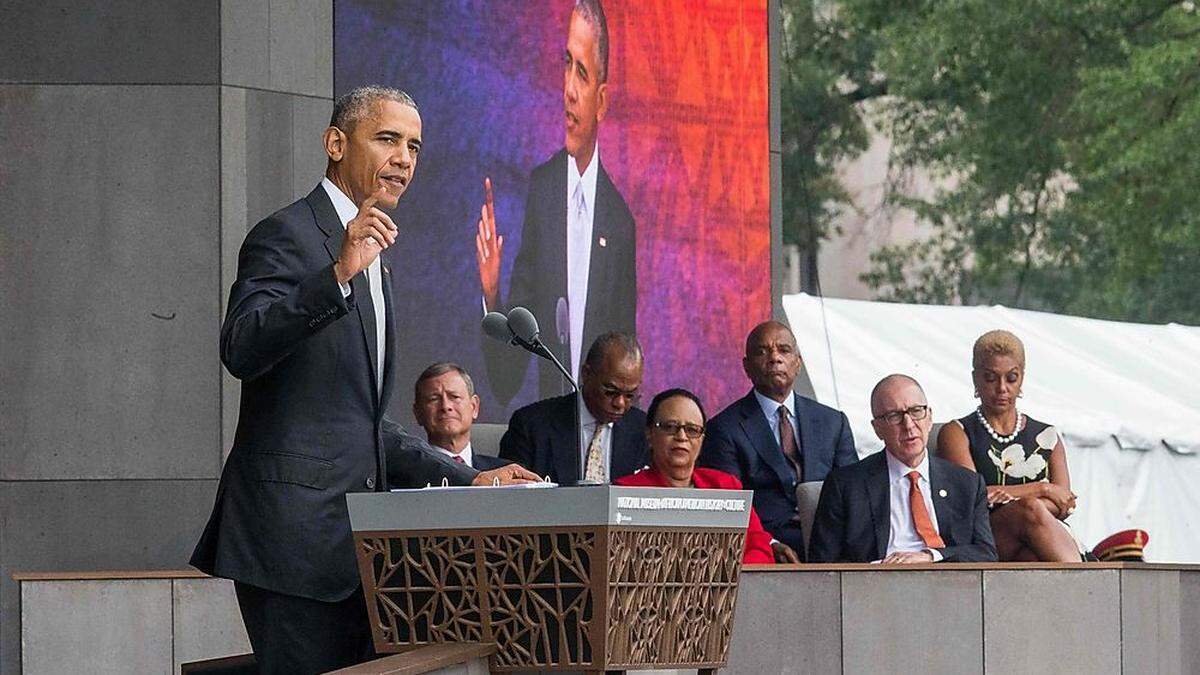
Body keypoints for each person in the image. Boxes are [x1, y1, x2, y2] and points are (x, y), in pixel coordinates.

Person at [189, 86, 537, 674]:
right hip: (291, 542)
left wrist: (470, 478)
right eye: (387, 139)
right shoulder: (290, 235)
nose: (404, 157)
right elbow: (241, 346)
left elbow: (366, 424)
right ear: (334, 144)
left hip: (362, 554)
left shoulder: (379, 255)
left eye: (415, 146)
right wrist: (337, 273)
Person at [475, 0, 636, 406]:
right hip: (549, 424)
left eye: (581, 72)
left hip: (602, 430)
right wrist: (493, 296)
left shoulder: (619, 221)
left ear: (601, 100)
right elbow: (510, 375)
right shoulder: (543, 190)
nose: (567, 88)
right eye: (566, 64)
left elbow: (628, 354)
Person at [698, 320, 858, 558]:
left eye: (784, 350)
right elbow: (729, 506)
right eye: (762, 351)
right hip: (768, 549)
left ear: (798, 363)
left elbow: (853, 493)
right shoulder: (724, 428)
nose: (774, 358)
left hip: (832, 544)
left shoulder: (833, 422)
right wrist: (769, 543)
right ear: (746, 367)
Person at [809, 374, 997, 564]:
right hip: (877, 586)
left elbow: (986, 554)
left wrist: (931, 556)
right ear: (877, 429)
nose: (908, 425)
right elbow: (823, 566)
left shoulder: (967, 484)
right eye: (894, 416)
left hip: (949, 584)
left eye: (916, 411)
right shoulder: (846, 485)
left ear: (929, 417)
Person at [937, 329, 1082, 562]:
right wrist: (1042, 490)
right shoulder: (956, 433)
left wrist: (1008, 496)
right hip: (984, 540)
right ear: (976, 379)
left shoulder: (1047, 435)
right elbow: (973, 500)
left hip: (1039, 540)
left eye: (1011, 378)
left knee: (1032, 555)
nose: (1002, 388)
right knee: (1030, 510)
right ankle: (1088, 581)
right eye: (991, 378)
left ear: (1022, 377)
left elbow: (1066, 503)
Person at [615, 388, 800, 564]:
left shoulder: (726, 486)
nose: (681, 436)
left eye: (692, 430)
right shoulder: (626, 492)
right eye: (670, 427)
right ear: (649, 434)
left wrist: (727, 576)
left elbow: (759, 546)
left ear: (702, 439)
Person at [499, 332, 648, 483]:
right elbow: (509, 494)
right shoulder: (531, 426)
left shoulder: (645, 431)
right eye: (610, 392)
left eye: (630, 395)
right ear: (586, 374)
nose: (620, 403)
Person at [412, 362, 509, 470]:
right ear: (418, 413)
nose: (445, 406)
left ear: (474, 407)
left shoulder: (506, 475)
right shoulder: (400, 479)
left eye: (454, 397)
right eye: (434, 399)